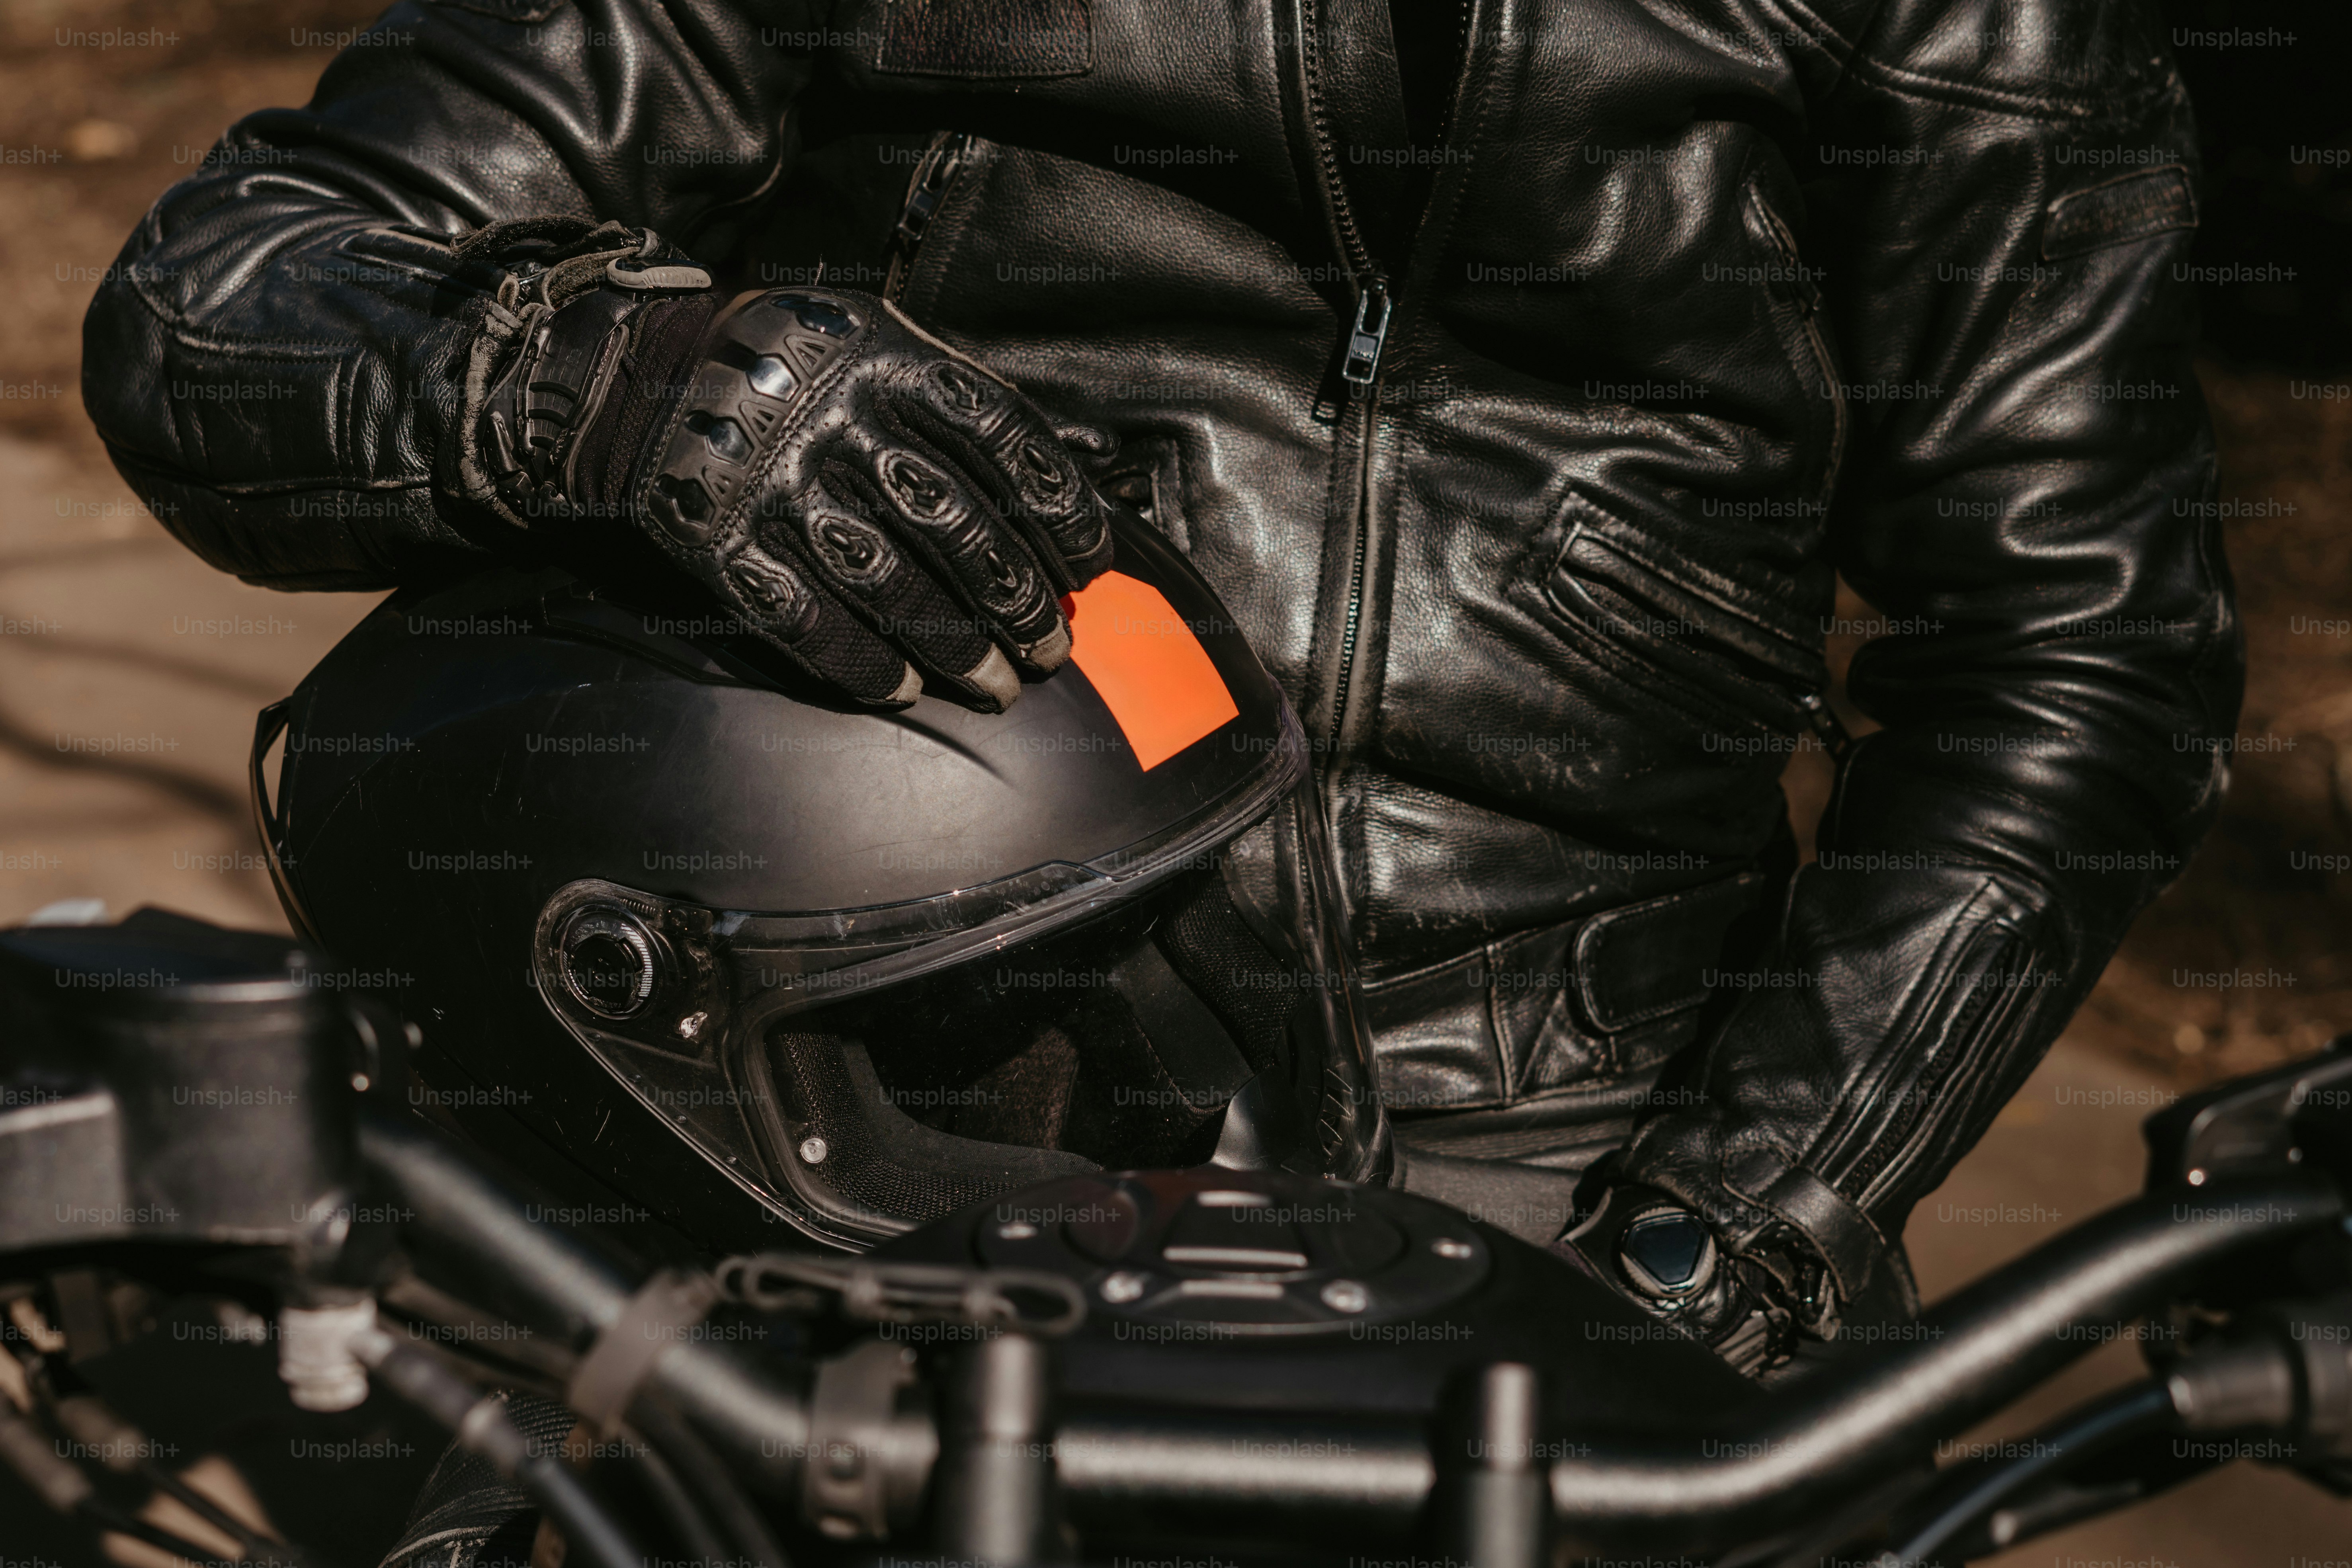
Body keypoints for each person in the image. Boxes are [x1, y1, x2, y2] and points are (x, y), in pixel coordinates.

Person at [84, 0, 2234, 1376]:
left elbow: (2076, 646)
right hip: (857, 1051)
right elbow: (227, 288)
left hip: (1567, 1116)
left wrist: (1737, 1231)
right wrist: (598, 380)